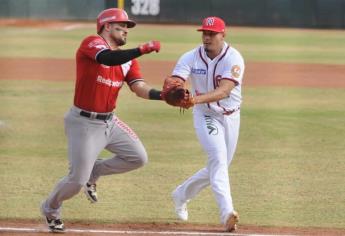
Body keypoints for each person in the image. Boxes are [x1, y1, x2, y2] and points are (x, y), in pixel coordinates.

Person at [40, 8, 162, 233]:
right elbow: (107, 58)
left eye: (128, 27)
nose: (126, 30)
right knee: (76, 181)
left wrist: (161, 95)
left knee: (138, 158)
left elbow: (139, 88)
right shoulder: (92, 43)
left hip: (110, 122)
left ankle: (93, 173)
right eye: (122, 25)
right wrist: (142, 49)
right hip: (84, 123)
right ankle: (50, 208)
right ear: (107, 26)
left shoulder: (128, 60)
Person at [169, 16, 245, 232]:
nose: (207, 37)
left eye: (212, 33)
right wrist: (176, 89)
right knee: (218, 160)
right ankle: (227, 214)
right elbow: (177, 80)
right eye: (204, 33)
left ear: (223, 35)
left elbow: (224, 90)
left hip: (231, 116)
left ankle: (181, 194)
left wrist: (193, 99)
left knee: (218, 166)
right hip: (206, 115)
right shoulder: (190, 57)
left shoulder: (234, 58)